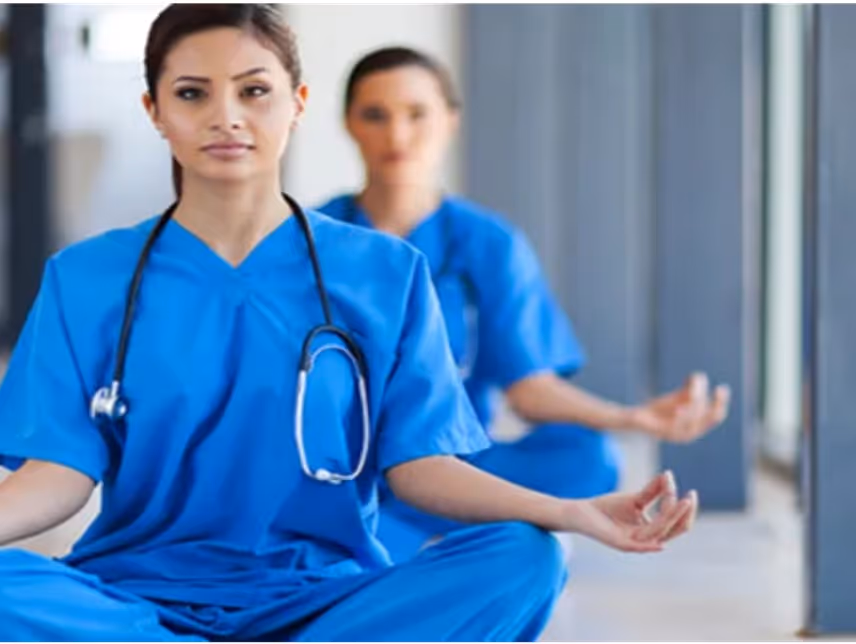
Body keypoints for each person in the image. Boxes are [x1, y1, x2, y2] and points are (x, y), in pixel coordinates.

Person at [0, 5, 700, 641]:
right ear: (155, 110)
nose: (226, 116)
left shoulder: (385, 273)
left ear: (297, 104)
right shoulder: (87, 277)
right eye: (192, 94)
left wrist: (572, 513)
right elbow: (59, 472)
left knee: (524, 555)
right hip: (138, 596)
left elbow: (419, 466)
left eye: (254, 90)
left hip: (322, 600)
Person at [317, 46, 731, 562]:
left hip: (460, 463)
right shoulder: (315, 241)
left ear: (450, 121)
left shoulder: (489, 243)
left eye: (416, 114)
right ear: (348, 124)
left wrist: (634, 417)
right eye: (375, 115)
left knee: (586, 457)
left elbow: (529, 389)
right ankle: (454, 529)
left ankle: (432, 522)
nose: (397, 136)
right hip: (349, 466)